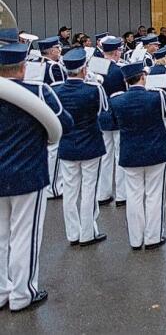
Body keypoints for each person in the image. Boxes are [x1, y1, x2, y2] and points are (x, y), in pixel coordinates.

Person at [0, 41, 73, 311]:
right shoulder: (38, 91)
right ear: (23, 66)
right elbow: (65, 123)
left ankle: (1, 291)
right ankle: (22, 293)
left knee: (0, 237)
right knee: (24, 236)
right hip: (27, 172)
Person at [108, 61, 166, 250]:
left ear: (126, 81)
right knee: (155, 195)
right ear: (143, 77)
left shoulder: (116, 99)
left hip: (131, 152)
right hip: (156, 151)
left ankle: (135, 239)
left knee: (134, 196)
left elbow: (110, 121)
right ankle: (153, 237)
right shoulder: (157, 95)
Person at [53, 48, 108, 247]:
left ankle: (73, 234)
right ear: (84, 69)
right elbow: (104, 110)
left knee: (69, 191)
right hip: (91, 144)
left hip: (67, 145)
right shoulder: (93, 89)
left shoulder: (56, 90)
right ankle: (88, 232)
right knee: (89, 190)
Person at [96, 37, 128, 207]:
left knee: (105, 157)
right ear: (116, 51)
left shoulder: (95, 67)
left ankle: (103, 193)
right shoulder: (118, 70)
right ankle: (122, 195)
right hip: (117, 115)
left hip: (101, 115)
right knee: (119, 155)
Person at [36, 36, 66, 199]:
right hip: (54, 110)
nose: (59, 50)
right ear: (51, 51)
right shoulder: (54, 67)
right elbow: (61, 89)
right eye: (57, 48)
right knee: (55, 149)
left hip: (40, 110)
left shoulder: (36, 64)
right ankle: (54, 187)